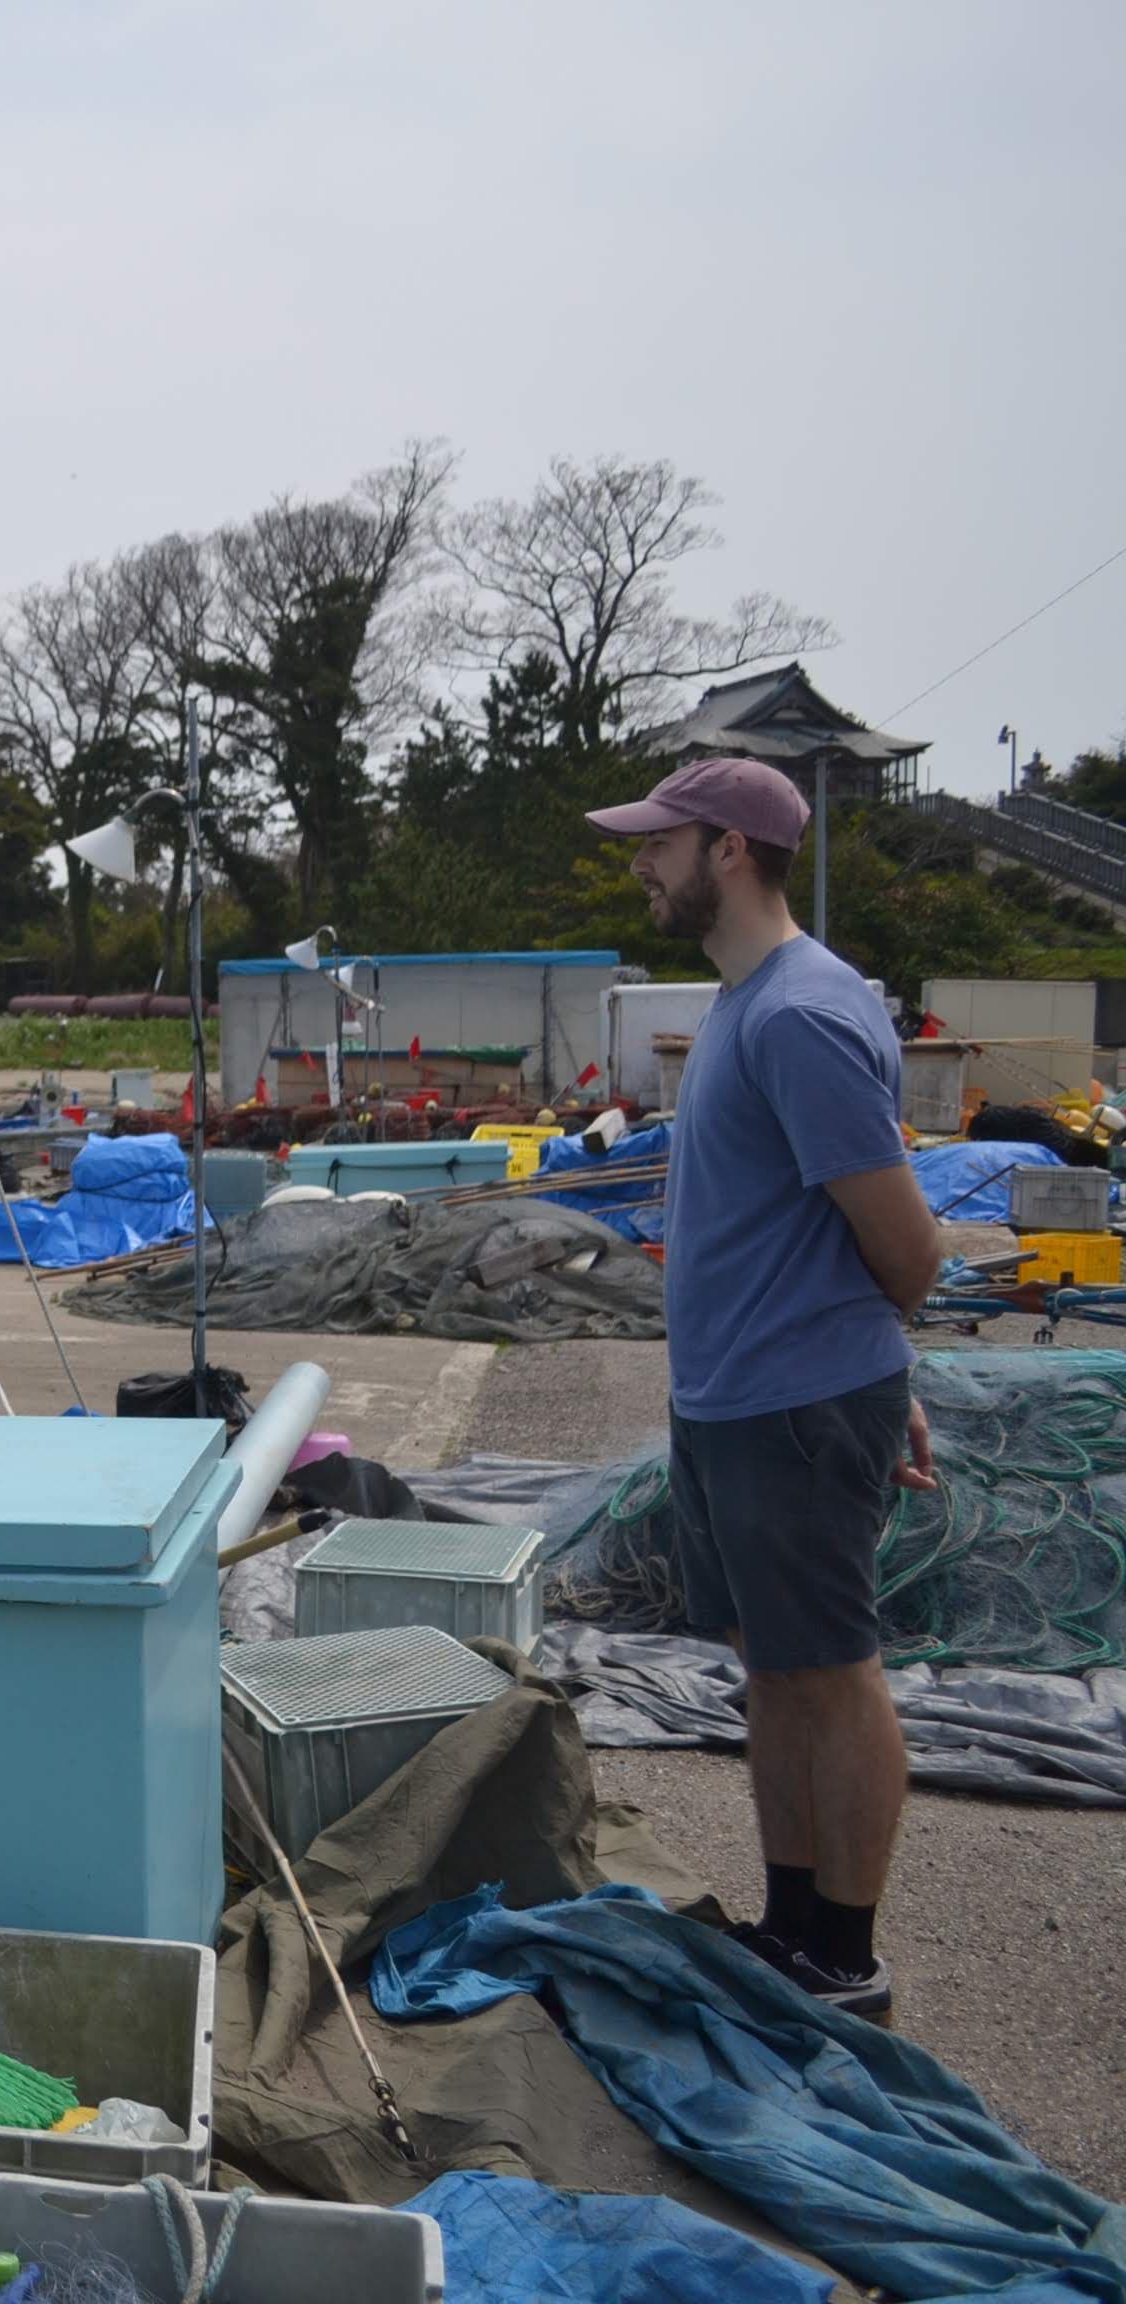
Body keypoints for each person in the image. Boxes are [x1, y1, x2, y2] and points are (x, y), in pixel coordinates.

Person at [588, 755, 941, 2020]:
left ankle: (846, 1955)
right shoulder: (748, 1002)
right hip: (738, 1404)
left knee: (831, 1668)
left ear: (728, 851)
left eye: (660, 843)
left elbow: (908, 1248)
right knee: (774, 1666)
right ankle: (791, 1927)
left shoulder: (797, 1015)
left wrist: (864, 1380)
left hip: (792, 1409)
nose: (642, 862)